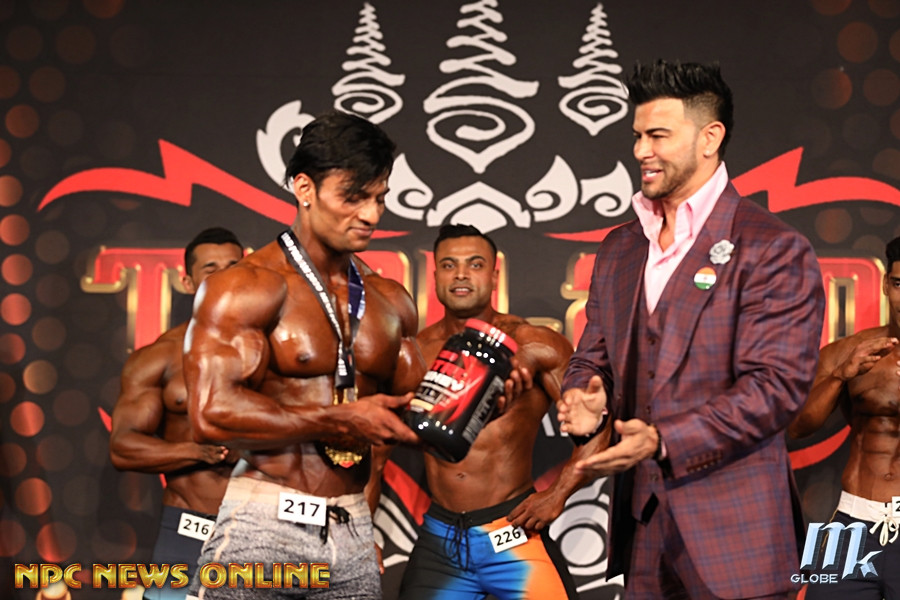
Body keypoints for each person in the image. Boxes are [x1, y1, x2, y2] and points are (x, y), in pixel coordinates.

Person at [557, 60, 825, 599]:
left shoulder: (772, 247)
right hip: (644, 527)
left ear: (710, 138)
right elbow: (593, 355)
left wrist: (663, 441)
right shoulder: (621, 248)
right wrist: (584, 397)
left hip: (738, 537)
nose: (641, 151)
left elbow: (775, 389)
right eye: (637, 136)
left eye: (658, 136)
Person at [183, 110, 427, 600]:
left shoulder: (390, 300)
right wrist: (337, 419)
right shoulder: (246, 287)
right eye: (353, 197)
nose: (371, 215)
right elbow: (211, 413)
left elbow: (415, 414)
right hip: (263, 526)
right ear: (304, 188)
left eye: (380, 198)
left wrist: (479, 396)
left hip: (353, 530)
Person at [395, 224, 604, 600]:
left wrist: (558, 493)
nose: (461, 274)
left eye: (474, 264)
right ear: (436, 275)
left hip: (513, 529)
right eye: (449, 265)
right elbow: (377, 449)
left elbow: (598, 429)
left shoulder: (536, 344)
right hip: (441, 539)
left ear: (494, 276)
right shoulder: (417, 351)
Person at [109, 226, 244, 600]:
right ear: (188, 282)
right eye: (211, 269)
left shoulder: (281, 351)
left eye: (234, 267)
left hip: (265, 527)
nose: (225, 277)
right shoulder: (160, 357)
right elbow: (123, 447)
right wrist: (199, 451)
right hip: (189, 527)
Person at [788, 236, 900, 599]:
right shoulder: (849, 353)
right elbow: (797, 427)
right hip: (852, 520)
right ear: (885, 285)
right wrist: (841, 376)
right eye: (899, 284)